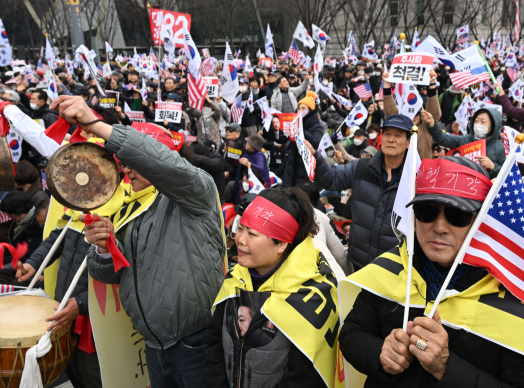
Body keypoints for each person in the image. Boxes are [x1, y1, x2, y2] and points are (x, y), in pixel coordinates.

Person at [339, 156, 524, 387]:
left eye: (458, 214)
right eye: (426, 211)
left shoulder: (517, 292)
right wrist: (381, 353)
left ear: (481, 221)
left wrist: (446, 367)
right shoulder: (394, 265)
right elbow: (351, 333)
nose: (439, 227)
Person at [51, 95, 226, 388]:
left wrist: (97, 126)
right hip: (154, 347)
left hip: (194, 344)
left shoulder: (197, 192)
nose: (126, 170)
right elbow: (110, 274)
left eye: (133, 162)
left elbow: (159, 161)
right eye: (123, 164)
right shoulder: (130, 208)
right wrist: (103, 248)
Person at [205, 188, 339, 388]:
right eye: (240, 228)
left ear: (282, 245)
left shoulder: (313, 294)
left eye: (252, 233)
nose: (240, 240)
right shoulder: (237, 276)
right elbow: (214, 342)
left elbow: (305, 378)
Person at [305, 114, 413, 270]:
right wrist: (315, 156)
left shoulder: (415, 178)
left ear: (408, 142)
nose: (391, 139)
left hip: (394, 267)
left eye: (398, 135)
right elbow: (331, 179)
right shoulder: (362, 167)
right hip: (359, 261)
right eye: (388, 134)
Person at [425, 108, 505, 178]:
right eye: (476, 121)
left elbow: (505, 175)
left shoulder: (500, 148)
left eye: (482, 122)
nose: (478, 124)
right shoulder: (465, 139)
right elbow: (443, 139)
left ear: (493, 126)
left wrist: (492, 167)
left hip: (484, 191)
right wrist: (432, 124)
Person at [283, 91, 324, 187]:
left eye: (303, 108)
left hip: (305, 169)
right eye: (299, 108)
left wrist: (302, 132)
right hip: (292, 165)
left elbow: (317, 143)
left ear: (310, 110)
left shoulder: (317, 127)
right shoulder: (296, 123)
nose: (300, 111)